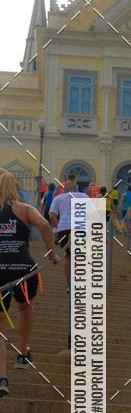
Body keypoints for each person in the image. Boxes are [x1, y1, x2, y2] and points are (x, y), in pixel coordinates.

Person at [0, 169, 59, 396]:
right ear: (16, 187)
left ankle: (2, 378)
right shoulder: (24, 208)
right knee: (25, 308)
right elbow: (44, 224)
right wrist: (51, 253)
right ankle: (23, 354)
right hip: (24, 270)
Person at [48, 181, 88, 292]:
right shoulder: (84, 196)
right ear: (77, 190)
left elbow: (51, 215)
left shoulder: (58, 198)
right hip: (81, 227)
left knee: (68, 256)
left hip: (64, 228)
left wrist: (57, 227)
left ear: (65, 190)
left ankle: (69, 284)